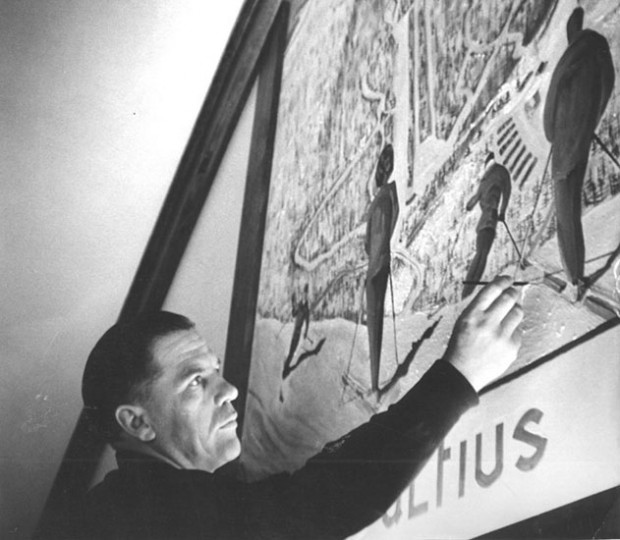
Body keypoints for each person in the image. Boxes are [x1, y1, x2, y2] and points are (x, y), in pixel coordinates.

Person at [50, 276, 522, 539]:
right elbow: (310, 509)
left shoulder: (134, 507)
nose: (229, 391)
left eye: (217, 372)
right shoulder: (142, 513)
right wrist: (457, 377)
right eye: (196, 381)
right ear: (137, 422)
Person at [543, 7, 615, 289]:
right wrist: (590, 123)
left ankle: (574, 276)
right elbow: (606, 88)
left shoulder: (573, 57)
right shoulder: (599, 53)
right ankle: (576, 274)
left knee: (566, 211)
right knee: (571, 207)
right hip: (582, 139)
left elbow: (553, 99)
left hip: (564, 144)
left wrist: (553, 131)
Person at [365, 143, 399, 392]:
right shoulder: (388, 195)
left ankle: (375, 385)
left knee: (374, 323)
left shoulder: (383, 198)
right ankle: (374, 383)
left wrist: (372, 272)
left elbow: (377, 238)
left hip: (376, 268)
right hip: (380, 264)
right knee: (374, 324)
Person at [462, 153, 512, 299]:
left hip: (486, 220)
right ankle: (469, 289)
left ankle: (468, 289)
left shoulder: (488, 176)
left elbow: (476, 197)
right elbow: (506, 192)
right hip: (490, 220)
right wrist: (502, 212)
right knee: (482, 254)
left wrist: (470, 205)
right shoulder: (499, 172)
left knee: (480, 253)